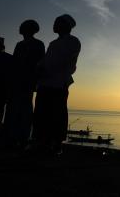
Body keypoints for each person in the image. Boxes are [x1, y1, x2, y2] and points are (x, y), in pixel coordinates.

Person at [32, 14, 81, 155]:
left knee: (57, 113)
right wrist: (39, 68)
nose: (54, 24)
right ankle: (41, 141)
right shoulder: (53, 43)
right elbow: (45, 60)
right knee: (41, 113)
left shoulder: (73, 41)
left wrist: (45, 69)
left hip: (59, 82)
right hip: (45, 83)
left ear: (66, 25)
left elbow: (64, 61)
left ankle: (56, 144)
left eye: (57, 22)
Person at [2, 20, 45, 148]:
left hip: (27, 81)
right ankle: (12, 137)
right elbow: (14, 63)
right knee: (12, 109)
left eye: (24, 26)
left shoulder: (38, 44)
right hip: (16, 81)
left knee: (24, 110)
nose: (20, 28)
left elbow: (40, 63)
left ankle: (23, 138)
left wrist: (35, 80)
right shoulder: (19, 45)